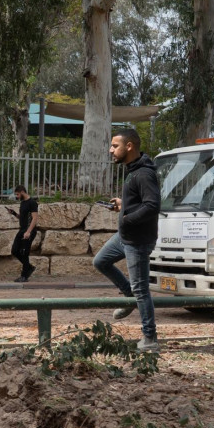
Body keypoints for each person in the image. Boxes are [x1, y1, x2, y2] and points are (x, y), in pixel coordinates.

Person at [93, 128, 161, 353]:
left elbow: (152, 205)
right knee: (100, 262)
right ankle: (127, 293)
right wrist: (123, 205)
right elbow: (140, 201)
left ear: (129, 146)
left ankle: (150, 338)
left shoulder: (144, 174)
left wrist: (128, 218)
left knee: (142, 289)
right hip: (124, 236)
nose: (111, 150)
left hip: (137, 241)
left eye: (115, 146)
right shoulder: (132, 170)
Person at [9, 185, 39, 283]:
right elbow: (22, 217)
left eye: (17, 194)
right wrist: (13, 213)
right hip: (22, 230)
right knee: (15, 250)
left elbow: (34, 218)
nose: (17, 196)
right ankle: (29, 267)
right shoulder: (23, 203)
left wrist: (28, 232)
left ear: (22, 192)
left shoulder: (32, 203)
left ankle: (24, 276)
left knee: (24, 253)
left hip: (29, 231)